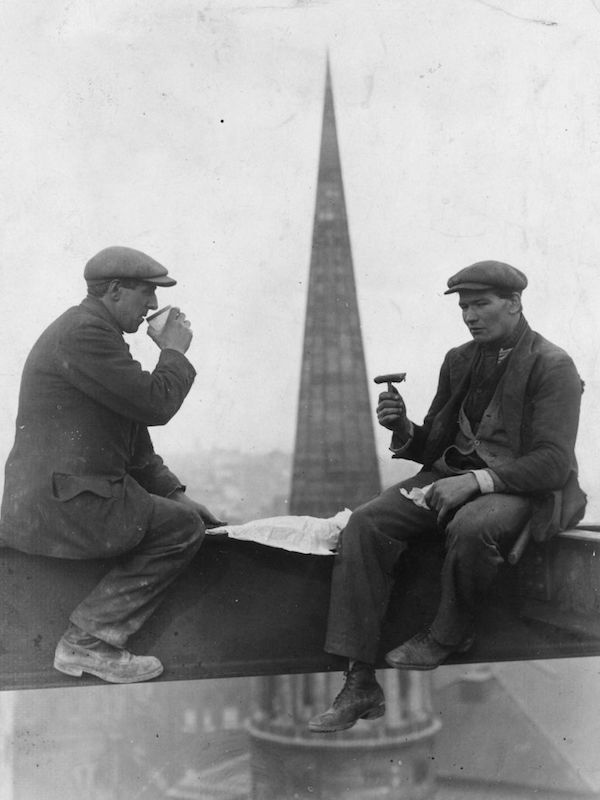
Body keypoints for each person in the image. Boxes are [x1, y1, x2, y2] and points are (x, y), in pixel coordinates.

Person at [308, 260, 586, 733]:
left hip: (521, 488)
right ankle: (359, 680)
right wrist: (403, 428)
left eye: (481, 304)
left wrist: (477, 483)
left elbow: (553, 463)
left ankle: (448, 633)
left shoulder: (552, 365)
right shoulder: (459, 359)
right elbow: (435, 445)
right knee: (367, 522)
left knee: (472, 525)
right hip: (450, 476)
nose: (470, 316)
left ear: (514, 303)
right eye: (464, 307)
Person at [0, 246, 223, 684]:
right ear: (116, 290)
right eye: (147, 293)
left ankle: (91, 639)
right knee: (179, 530)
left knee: (179, 515)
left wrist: (177, 494)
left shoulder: (93, 333)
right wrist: (175, 353)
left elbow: (133, 435)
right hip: (61, 503)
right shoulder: (85, 335)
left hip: (55, 498)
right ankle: (89, 642)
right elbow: (154, 404)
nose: (153, 307)